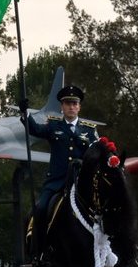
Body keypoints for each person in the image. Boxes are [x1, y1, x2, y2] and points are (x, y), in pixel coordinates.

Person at [26, 85, 98, 257]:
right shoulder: (53, 125)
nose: (71, 107)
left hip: (81, 184)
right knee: (41, 209)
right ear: (62, 107)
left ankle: (109, 250)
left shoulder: (89, 130)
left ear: (79, 107)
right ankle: (39, 250)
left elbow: (97, 153)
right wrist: (25, 114)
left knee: (105, 209)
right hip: (56, 182)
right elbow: (35, 130)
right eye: (67, 103)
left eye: (74, 103)